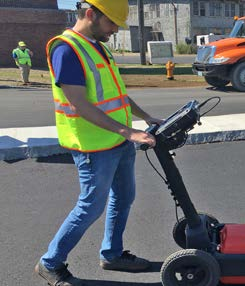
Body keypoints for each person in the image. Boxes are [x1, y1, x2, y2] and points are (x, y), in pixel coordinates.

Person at [34, 1, 162, 285]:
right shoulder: (66, 50)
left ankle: (112, 254)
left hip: (118, 139)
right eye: (112, 23)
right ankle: (50, 262)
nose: (115, 30)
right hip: (94, 146)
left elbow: (117, 95)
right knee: (90, 206)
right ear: (91, 14)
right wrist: (129, 132)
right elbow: (80, 104)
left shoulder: (98, 46)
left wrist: (145, 117)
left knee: (124, 197)